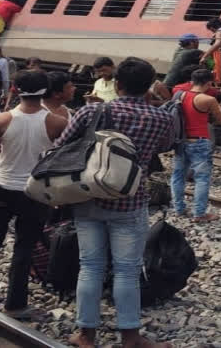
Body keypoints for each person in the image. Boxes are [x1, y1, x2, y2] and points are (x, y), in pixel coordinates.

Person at [51, 57, 175, 348]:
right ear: (149, 87)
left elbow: (61, 146)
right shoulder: (162, 117)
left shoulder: (93, 110)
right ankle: (130, 336)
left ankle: (85, 334)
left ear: (117, 85)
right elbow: (166, 146)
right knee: (127, 269)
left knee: (91, 266)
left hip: (88, 197)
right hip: (131, 200)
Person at [0, 70, 69, 316]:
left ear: (15, 88)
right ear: (45, 91)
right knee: (24, 247)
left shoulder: (0, 120)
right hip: (34, 192)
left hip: (2, 188)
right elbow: (65, 156)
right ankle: (15, 304)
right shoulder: (57, 123)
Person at [170, 68, 221, 222]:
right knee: (202, 178)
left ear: (192, 81)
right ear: (209, 82)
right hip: (199, 142)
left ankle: (178, 208)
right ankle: (199, 213)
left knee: (177, 175)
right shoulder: (208, 100)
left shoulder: (179, 95)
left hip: (181, 140)